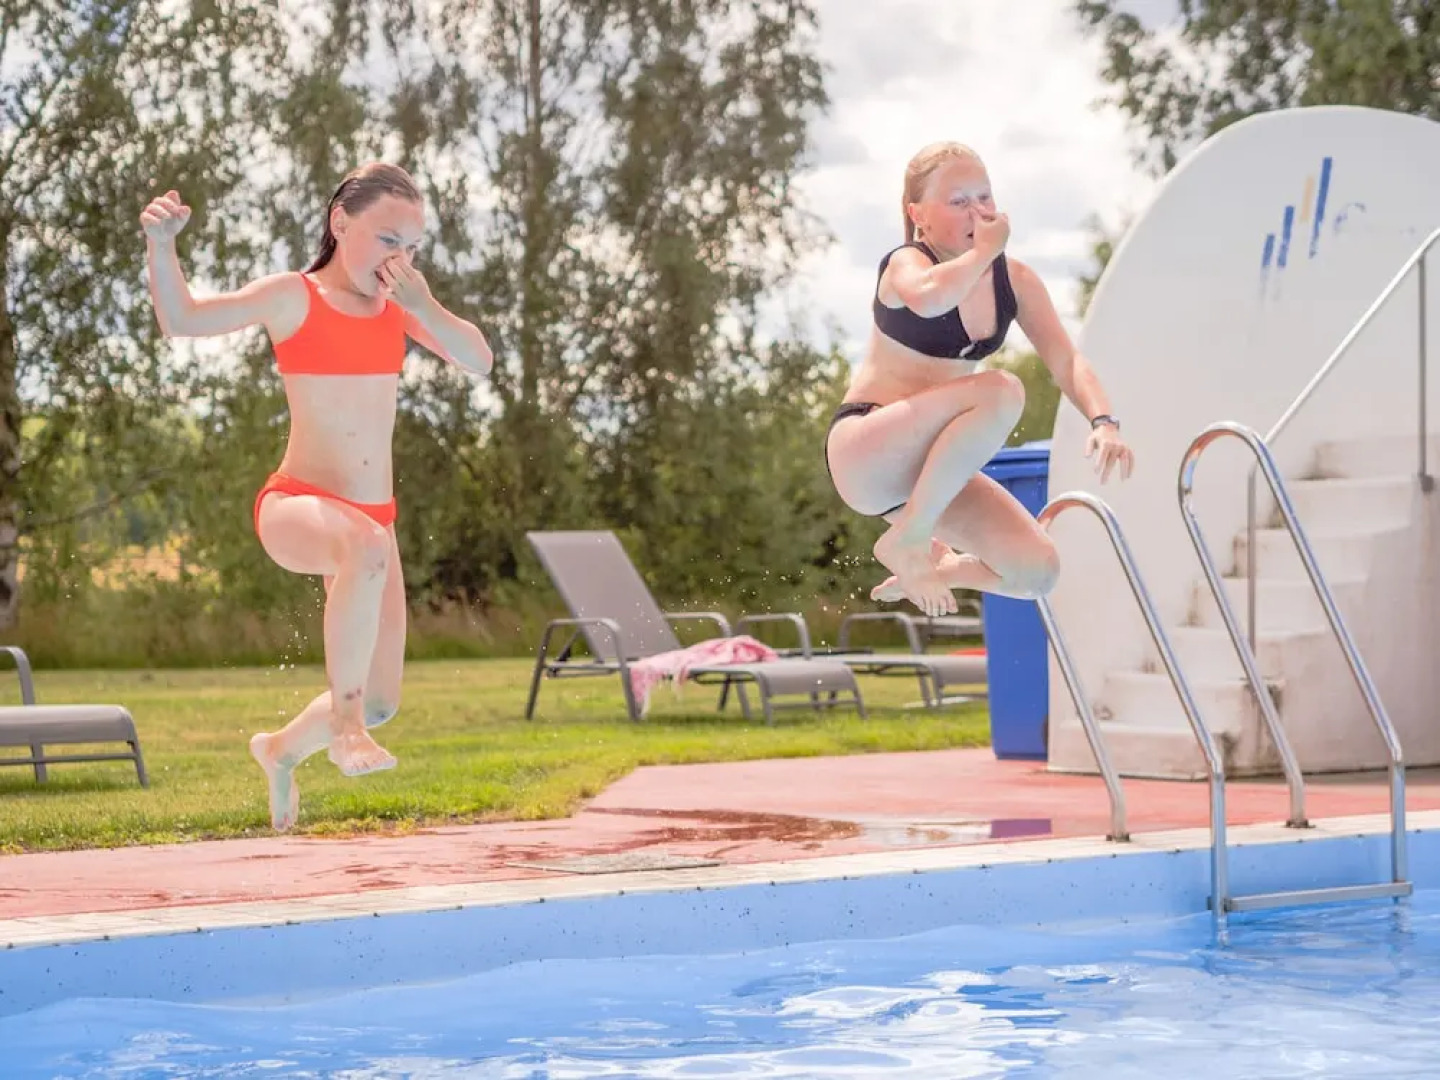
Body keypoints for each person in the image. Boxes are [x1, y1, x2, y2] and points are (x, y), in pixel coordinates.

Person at [141, 162, 493, 830]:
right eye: (388, 240)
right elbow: (183, 320)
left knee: (386, 695)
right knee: (359, 551)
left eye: (412, 248)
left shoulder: (399, 309)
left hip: (372, 522)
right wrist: (163, 248)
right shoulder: (294, 297)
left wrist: (424, 305)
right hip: (294, 506)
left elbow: (479, 359)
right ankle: (346, 728)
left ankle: (278, 751)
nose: (401, 260)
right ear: (341, 223)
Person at [824, 141, 1135, 618]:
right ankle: (910, 538)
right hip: (869, 451)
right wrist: (983, 255)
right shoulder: (908, 263)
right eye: (958, 201)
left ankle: (934, 565)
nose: (978, 211)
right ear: (918, 214)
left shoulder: (1017, 282)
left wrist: (1104, 420)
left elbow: (1067, 361)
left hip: (927, 479)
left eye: (984, 197)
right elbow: (930, 300)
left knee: (1038, 570)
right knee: (1001, 391)